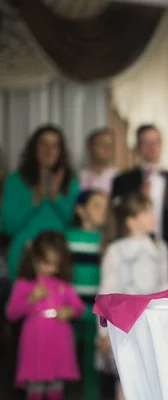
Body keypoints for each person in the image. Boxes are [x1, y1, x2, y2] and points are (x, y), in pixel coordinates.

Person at [96, 193, 168, 400]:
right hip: (124, 325)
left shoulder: (160, 248)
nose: (153, 217)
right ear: (131, 221)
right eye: (146, 212)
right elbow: (107, 292)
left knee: (153, 377)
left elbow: (165, 287)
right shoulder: (115, 250)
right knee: (126, 378)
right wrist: (102, 333)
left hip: (152, 323)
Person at [6, 231, 85, 400]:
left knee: (56, 386)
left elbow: (79, 307)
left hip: (58, 341)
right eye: (45, 263)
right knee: (35, 386)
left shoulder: (62, 286)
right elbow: (11, 313)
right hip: (35, 343)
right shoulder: (23, 284)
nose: (50, 269)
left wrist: (69, 311)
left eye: (55, 264)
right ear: (34, 258)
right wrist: (30, 300)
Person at [1, 124, 79, 281]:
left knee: (58, 305)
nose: (49, 150)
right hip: (24, 257)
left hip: (58, 258)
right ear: (34, 148)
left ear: (60, 151)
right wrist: (34, 200)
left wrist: (55, 198)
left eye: (55, 145)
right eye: (43, 143)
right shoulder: (15, 180)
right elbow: (7, 226)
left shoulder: (70, 182)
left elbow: (74, 223)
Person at [111, 124, 168, 281]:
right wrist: (137, 196)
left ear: (161, 144)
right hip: (131, 250)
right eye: (146, 142)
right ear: (137, 146)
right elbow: (116, 214)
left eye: (155, 141)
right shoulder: (122, 180)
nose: (151, 147)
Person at [65, 190, 107, 400]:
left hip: (94, 312)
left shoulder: (105, 240)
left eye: (105, 206)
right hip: (69, 310)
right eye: (96, 205)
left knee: (92, 363)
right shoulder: (68, 238)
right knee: (64, 357)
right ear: (80, 210)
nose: (103, 211)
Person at [79, 128, 118, 194]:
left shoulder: (119, 177)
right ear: (89, 147)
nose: (107, 148)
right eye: (102, 144)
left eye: (110, 145)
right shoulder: (79, 179)